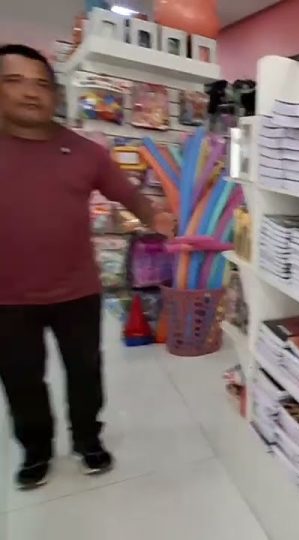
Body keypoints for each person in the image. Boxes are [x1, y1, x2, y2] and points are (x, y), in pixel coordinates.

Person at [0, 44, 175, 489]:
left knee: (85, 372)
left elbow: (126, 193)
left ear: (55, 94)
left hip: (77, 290)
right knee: (21, 380)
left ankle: (87, 440)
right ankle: (35, 450)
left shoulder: (84, 152)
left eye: (41, 84)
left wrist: (154, 216)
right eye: (14, 81)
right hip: (7, 298)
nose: (30, 93)